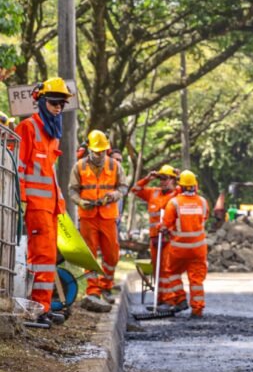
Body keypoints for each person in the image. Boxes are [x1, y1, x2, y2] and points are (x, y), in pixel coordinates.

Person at [15, 78, 72, 328]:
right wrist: (22, 199)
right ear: (40, 101)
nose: (58, 108)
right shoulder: (27, 128)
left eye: (62, 104)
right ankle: (34, 309)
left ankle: (43, 307)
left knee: (47, 258)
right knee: (40, 257)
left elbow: (50, 174)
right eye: (54, 102)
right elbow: (18, 168)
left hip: (49, 207)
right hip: (35, 206)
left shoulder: (52, 135)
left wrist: (60, 204)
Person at [69, 130, 128, 311]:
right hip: (87, 216)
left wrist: (114, 195)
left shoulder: (115, 166)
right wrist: (80, 201)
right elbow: (72, 190)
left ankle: (106, 286)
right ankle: (93, 290)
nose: (100, 155)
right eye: (96, 151)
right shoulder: (79, 166)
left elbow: (124, 187)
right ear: (90, 150)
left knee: (112, 254)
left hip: (108, 215)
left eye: (102, 151)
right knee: (90, 255)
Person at [131, 164, 185, 311]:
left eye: (165, 178)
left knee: (168, 269)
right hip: (155, 239)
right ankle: (160, 300)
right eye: (160, 178)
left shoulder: (178, 193)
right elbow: (135, 190)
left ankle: (170, 300)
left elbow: (192, 190)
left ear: (173, 180)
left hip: (170, 238)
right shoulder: (153, 193)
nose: (162, 182)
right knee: (157, 270)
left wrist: (180, 178)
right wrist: (147, 179)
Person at [161, 170, 209, 318]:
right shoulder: (202, 202)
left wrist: (162, 229)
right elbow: (204, 218)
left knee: (172, 272)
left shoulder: (174, 203)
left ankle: (180, 299)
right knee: (196, 280)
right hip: (198, 249)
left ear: (180, 186)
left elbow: (166, 224)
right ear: (195, 186)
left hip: (179, 248)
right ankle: (197, 310)